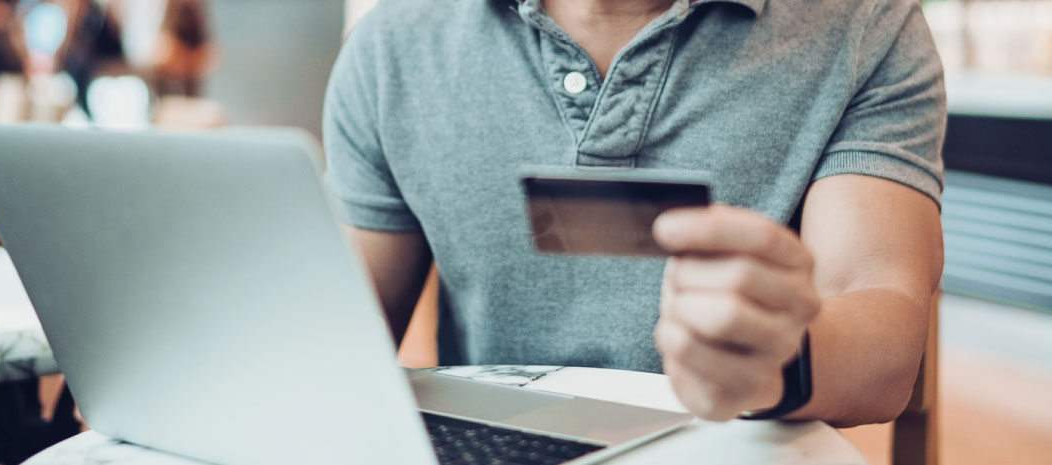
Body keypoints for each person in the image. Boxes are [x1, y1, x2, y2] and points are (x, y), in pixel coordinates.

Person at [325, 0, 946, 425]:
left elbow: (884, 341)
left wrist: (775, 363)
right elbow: (332, 341)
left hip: (739, 445)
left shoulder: (866, 25)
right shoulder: (392, 45)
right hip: (494, 445)